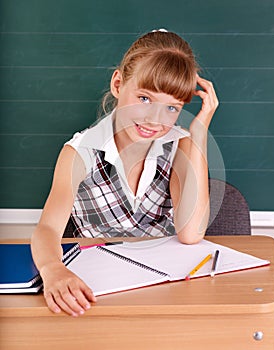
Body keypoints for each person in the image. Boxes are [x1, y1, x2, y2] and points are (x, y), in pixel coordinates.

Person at [31, 29, 219, 317]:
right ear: (118, 84)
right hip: (98, 292)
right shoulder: (80, 152)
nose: (154, 119)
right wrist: (53, 269)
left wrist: (199, 132)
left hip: (167, 290)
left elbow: (191, 234)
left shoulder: (179, 145)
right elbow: (47, 229)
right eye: (144, 99)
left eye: (171, 108)